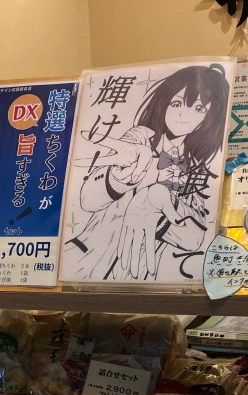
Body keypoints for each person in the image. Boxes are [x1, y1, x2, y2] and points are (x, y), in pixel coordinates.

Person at [65, 64, 230, 282]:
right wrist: (120, 177)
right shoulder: (139, 139)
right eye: (176, 103)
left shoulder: (194, 167)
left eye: (199, 109)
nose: (184, 115)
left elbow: (194, 238)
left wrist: (159, 202)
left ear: (211, 118)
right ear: (163, 103)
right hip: (81, 267)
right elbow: (88, 199)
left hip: (140, 279)